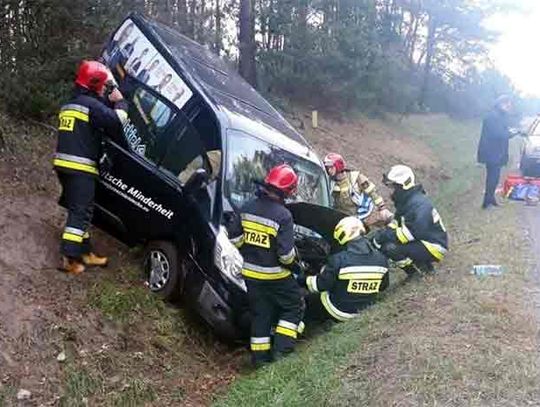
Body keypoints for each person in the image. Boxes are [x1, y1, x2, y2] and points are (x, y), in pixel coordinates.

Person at [53, 60, 128, 275]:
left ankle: (85, 253)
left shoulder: (71, 104)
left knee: (83, 211)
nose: (106, 89)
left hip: (64, 167)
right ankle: (69, 260)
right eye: (104, 85)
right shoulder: (92, 106)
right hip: (80, 169)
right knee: (79, 213)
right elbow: (116, 121)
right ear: (95, 84)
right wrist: (121, 102)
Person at [228, 164, 304, 367]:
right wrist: (294, 263)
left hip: (251, 276)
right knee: (294, 306)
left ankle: (260, 360)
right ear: (287, 191)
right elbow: (286, 256)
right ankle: (281, 352)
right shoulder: (283, 216)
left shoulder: (247, 207)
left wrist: (251, 249)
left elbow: (234, 239)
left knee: (261, 314)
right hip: (276, 277)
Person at [300, 217, 389, 322]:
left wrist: (301, 279)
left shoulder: (339, 260)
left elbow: (320, 285)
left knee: (305, 303)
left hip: (339, 312)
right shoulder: (381, 259)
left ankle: (301, 331)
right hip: (366, 308)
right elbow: (383, 286)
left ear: (342, 235)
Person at [372, 165, 448, 275]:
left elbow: (413, 233)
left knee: (390, 248)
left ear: (402, 186)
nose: (391, 192)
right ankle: (422, 263)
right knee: (388, 242)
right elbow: (396, 223)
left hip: (434, 246)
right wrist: (381, 234)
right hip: (425, 240)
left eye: (393, 187)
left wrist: (385, 237)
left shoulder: (418, 204)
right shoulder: (407, 201)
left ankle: (417, 270)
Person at [324, 153, 393, 228]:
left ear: (338, 166)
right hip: (343, 218)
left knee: (387, 216)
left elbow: (372, 192)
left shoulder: (355, 177)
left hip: (363, 214)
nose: (329, 170)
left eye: (331, 167)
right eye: (327, 168)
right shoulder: (328, 181)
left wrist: (382, 207)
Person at [477, 95, 515, 209]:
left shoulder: (500, 116)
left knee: (495, 177)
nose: (509, 106)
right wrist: (513, 133)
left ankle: (491, 199)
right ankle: (487, 203)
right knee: (492, 178)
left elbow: (502, 130)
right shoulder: (492, 116)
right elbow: (499, 134)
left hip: (497, 152)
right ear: (500, 104)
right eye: (506, 104)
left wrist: (510, 131)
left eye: (510, 104)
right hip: (491, 153)